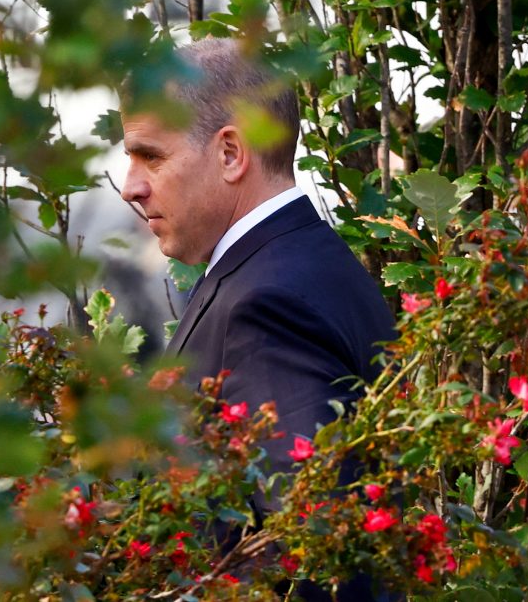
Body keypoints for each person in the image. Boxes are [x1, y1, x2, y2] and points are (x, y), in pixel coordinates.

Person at [119, 38, 398, 601]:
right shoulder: (299, 265)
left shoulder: (267, 304)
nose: (131, 187)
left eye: (151, 156)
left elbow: (316, 557)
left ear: (230, 153)